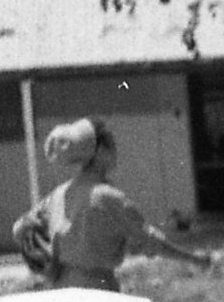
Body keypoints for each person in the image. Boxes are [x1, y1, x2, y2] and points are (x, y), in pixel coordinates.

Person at [14, 118, 200, 292]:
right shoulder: (107, 197)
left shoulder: (58, 194)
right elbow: (151, 241)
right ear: (101, 150)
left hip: (60, 289)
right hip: (97, 289)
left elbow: (20, 229)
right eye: (112, 146)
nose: (115, 151)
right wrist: (196, 260)